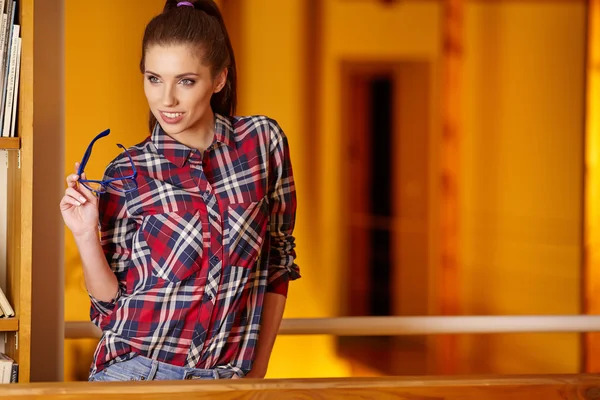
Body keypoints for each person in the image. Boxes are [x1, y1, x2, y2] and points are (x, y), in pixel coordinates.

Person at [59, 0, 299, 381]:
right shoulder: (127, 171)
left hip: (227, 380)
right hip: (133, 375)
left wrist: (257, 373)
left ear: (219, 79)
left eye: (185, 81)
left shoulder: (262, 143)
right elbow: (107, 305)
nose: (166, 99)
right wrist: (85, 233)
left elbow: (277, 263)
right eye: (154, 78)